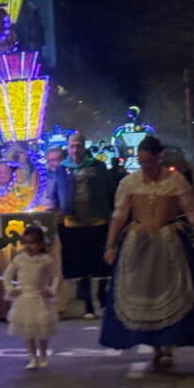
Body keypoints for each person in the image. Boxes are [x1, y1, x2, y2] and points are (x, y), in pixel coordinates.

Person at [100, 136, 194, 368]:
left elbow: (190, 209)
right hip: (138, 244)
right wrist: (110, 245)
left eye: (149, 161)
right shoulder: (129, 183)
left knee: (172, 290)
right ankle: (154, 347)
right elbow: (119, 216)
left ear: (158, 157)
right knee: (144, 293)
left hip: (169, 243)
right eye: (141, 162)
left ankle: (168, 345)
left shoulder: (176, 181)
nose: (145, 167)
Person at [50, 132, 115, 318]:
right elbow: (54, 192)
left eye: (78, 146)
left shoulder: (98, 166)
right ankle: (88, 305)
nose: (75, 150)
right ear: (67, 148)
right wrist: (55, 208)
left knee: (100, 265)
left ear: (84, 147)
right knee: (81, 267)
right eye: (72, 146)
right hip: (73, 223)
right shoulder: (61, 169)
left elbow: (109, 190)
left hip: (98, 220)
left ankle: (103, 299)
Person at [3, 225, 60, 370]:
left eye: (33, 243)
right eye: (26, 242)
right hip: (24, 298)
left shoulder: (46, 259)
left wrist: (51, 290)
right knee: (27, 330)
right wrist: (10, 288)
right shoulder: (19, 259)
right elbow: (7, 276)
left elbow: (56, 276)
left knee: (42, 329)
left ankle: (43, 355)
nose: (29, 246)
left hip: (40, 297)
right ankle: (32, 357)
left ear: (41, 244)